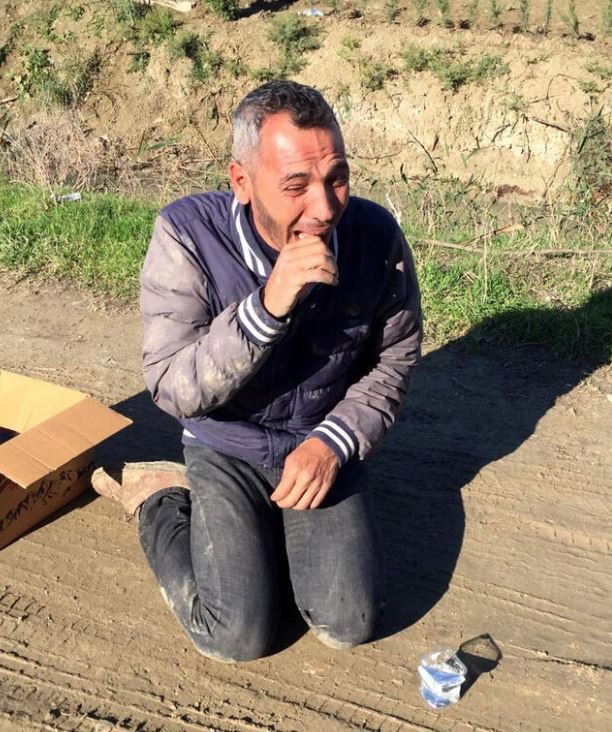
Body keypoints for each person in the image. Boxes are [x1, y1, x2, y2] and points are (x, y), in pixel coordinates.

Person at [93, 80, 422, 662]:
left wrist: (335, 443)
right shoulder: (187, 235)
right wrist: (266, 308)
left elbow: (394, 357)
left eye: (337, 178)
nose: (325, 208)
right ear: (242, 182)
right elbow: (170, 385)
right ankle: (159, 499)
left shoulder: (374, 238)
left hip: (318, 439)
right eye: (296, 186)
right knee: (235, 634)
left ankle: (275, 526)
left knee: (350, 621)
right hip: (226, 442)